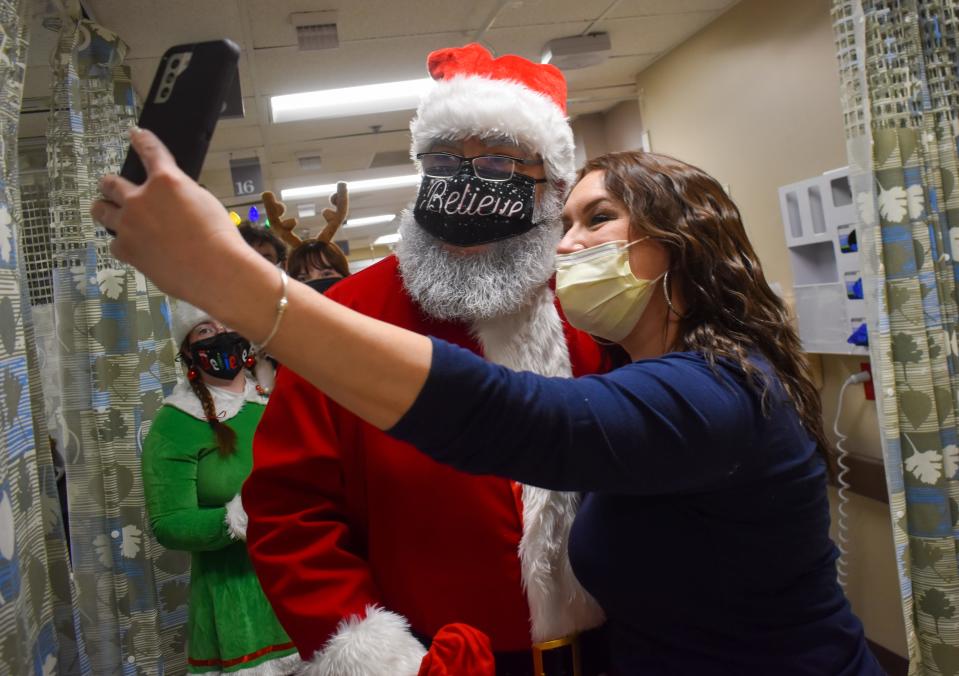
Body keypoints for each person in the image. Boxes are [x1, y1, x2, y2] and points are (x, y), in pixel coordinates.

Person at [98, 131, 884, 674]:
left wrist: (239, 286)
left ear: (680, 242)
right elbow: (290, 511)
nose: (569, 245)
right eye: (449, 158)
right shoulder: (365, 318)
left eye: (595, 218)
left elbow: (523, 420)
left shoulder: (711, 387)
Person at [140, 302, 301, 675]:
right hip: (238, 602)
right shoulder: (175, 423)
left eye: (228, 323)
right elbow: (169, 524)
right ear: (188, 350)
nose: (222, 335)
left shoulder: (277, 399)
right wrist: (238, 517)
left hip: (306, 579)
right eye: (205, 331)